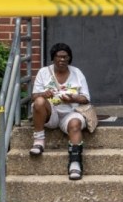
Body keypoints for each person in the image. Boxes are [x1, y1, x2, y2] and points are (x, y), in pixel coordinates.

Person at [30, 42, 90, 181]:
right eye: (59, 57)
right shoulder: (44, 72)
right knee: (38, 102)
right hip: (51, 114)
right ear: (53, 58)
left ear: (70, 59)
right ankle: (39, 141)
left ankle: (75, 162)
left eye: (66, 57)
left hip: (71, 112)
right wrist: (44, 94)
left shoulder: (77, 73)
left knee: (75, 124)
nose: (62, 60)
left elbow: (86, 98)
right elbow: (33, 96)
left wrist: (73, 98)